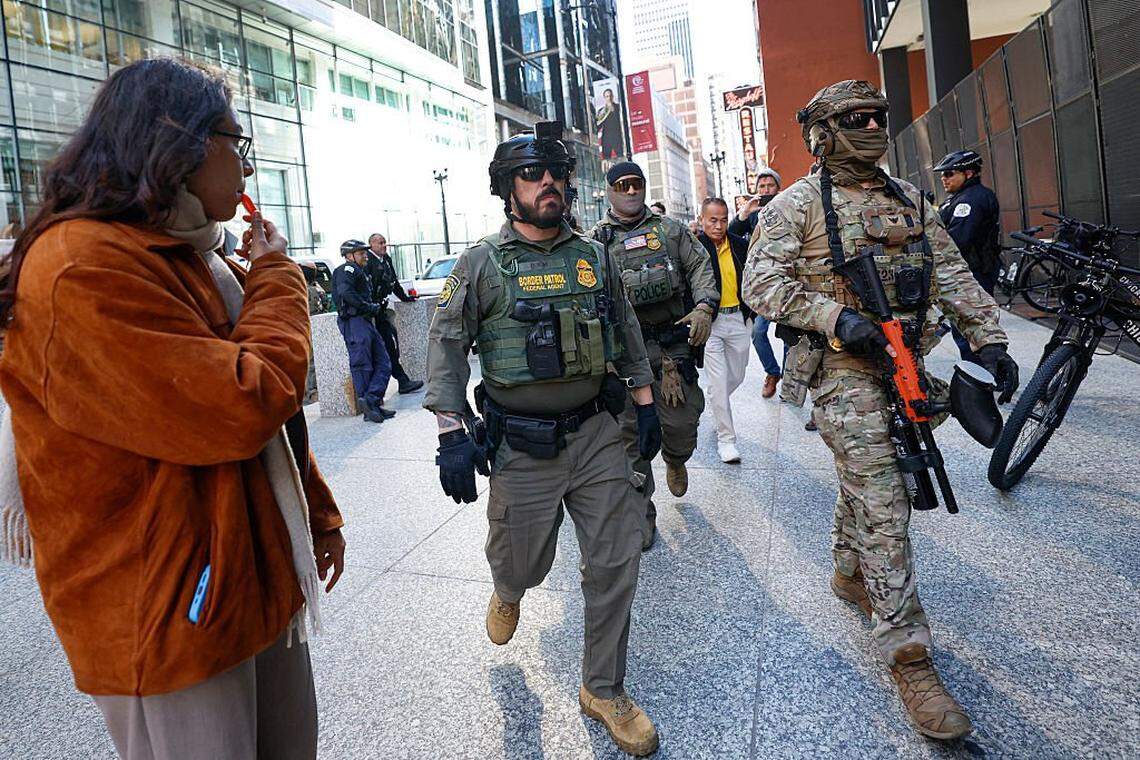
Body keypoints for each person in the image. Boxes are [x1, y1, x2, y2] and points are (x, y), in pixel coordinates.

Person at [0, 58, 346, 760]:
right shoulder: (82, 266)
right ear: (182, 143)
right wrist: (280, 281)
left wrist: (316, 515)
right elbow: (241, 403)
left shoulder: (190, 253)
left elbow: (267, 426)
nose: (247, 171)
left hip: (246, 578)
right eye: (238, 146)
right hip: (165, 612)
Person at [743, 80, 1019, 740]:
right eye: (854, 119)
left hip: (907, 366)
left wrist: (991, 339)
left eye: (876, 117)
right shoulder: (799, 205)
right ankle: (910, 657)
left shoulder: (909, 200)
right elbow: (760, 284)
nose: (870, 127)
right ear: (824, 132)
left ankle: (847, 572)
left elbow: (952, 275)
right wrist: (834, 315)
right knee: (887, 501)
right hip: (841, 371)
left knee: (866, 488)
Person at [423, 122, 662, 757]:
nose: (548, 183)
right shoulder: (480, 265)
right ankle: (507, 591)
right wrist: (450, 431)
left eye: (556, 172)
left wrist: (644, 406)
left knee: (616, 559)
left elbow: (627, 330)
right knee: (523, 562)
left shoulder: (593, 255)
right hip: (521, 447)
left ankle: (603, 688)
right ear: (508, 190)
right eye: (532, 175)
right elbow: (446, 346)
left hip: (596, 434)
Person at [590, 161, 719, 549]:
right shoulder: (595, 242)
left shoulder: (670, 231)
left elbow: (700, 267)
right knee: (630, 439)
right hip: (625, 355)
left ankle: (676, 459)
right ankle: (640, 517)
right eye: (622, 185)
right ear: (610, 190)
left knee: (680, 425)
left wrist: (704, 308)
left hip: (670, 349)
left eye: (637, 185)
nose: (631, 192)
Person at [695, 197, 753, 463]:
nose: (718, 226)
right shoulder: (695, 248)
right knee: (718, 383)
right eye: (712, 220)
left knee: (737, 376)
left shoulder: (739, 245)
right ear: (702, 220)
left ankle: (717, 399)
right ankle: (726, 440)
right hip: (712, 323)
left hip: (739, 319)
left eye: (722, 220)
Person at [934, 150, 1001, 363]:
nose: (944, 178)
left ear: (969, 173)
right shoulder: (960, 198)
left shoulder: (971, 200)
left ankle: (981, 379)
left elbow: (957, 240)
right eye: (942, 175)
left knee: (972, 329)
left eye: (949, 173)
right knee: (967, 329)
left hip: (973, 272)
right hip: (970, 270)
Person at [729, 168, 784, 398]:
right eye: (761, 186)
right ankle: (773, 372)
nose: (765, 190)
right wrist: (745, 213)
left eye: (770, 186)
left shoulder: (787, 205)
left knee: (790, 334)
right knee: (758, 332)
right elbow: (731, 233)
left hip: (786, 279)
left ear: (778, 188)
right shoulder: (753, 213)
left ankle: (790, 378)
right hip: (763, 285)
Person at [333, 240, 396, 423]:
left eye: (364, 253)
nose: (365, 256)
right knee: (362, 364)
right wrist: (368, 306)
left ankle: (372, 401)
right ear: (349, 256)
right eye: (361, 253)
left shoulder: (359, 271)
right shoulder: (347, 270)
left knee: (383, 361)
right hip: (354, 322)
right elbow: (346, 293)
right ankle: (369, 406)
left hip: (364, 320)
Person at [364, 232, 424, 394]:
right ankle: (397, 383)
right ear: (372, 245)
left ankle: (401, 382)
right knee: (385, 348)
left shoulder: (386, 260)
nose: (384, 246)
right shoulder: (367, 262)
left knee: (392, 344)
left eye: (384, 243)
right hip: (372, 313)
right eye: (380, 243)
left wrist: (405, 297)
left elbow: (394, 282)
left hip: (382, 311)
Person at [596, 88, 623, 160]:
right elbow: (598, 125)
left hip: (617, 137)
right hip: (606, 138)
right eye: (607, 96)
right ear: (604, 98)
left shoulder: (618, 107)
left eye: (610, 96)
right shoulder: (601, 111)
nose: (609, 98)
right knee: (607, 159)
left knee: (621, 156)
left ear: (613, 96)